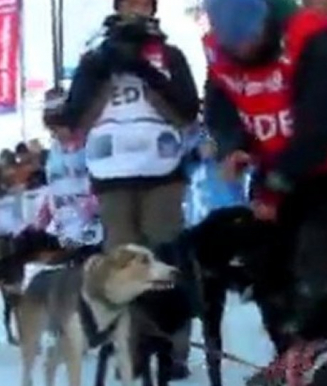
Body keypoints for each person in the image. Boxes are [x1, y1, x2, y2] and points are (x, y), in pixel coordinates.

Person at [203, 0, 327, 354]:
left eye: (248, 38)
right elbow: (219, 105)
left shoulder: (311, 38)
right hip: (276, 160)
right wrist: (232, 144)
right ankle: (291, 357)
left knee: (319, 271)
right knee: (269, 272)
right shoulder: (219, 51)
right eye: (233, 42)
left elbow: (318, 127)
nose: (242, 49)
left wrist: (272, 188)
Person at [51, 0, 200, 378]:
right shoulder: (94, 57)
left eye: (143, 3)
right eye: (129, 2)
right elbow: (73, 119)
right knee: (120, 263)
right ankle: (128, 346)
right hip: (111, 173)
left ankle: (172, 347)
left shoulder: (169, 54)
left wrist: (144, 70)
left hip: (162, 172)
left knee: (164, 256)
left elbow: (187, 110)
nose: (136, 9)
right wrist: (104, 69)